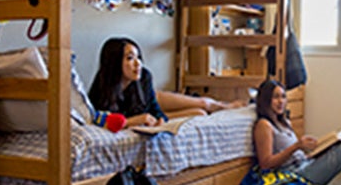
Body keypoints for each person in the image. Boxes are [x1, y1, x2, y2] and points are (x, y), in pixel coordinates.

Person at [88, 37, 245, 128]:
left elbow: (155, 109)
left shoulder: (144, 77)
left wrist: (159, 118)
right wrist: (136, 121)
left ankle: (224, 106)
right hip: (145, 112)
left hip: (152, 99)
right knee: (200, 113)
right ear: (114, 62)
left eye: (138, 57)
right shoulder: (102, 91)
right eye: (130, 58)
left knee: (204, 103)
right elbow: (105, 121)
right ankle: (214, 107)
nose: (138, 64)